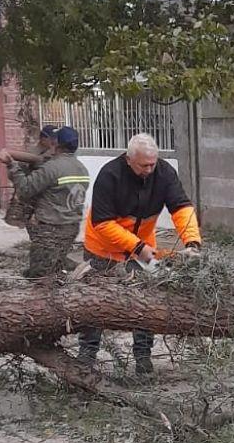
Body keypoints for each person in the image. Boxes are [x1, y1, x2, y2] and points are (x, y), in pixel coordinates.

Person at [80, 133, 203, 374]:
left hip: (141, 248)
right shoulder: (109, 175)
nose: (149, 169)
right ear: (129, 159)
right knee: (94, 305)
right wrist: (137, 247)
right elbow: (103, 224)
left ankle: (143, 360)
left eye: (152, 164)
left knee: (145, 304)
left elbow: (181, 207)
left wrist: (192, 242)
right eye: (143, 165)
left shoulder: (164, 173)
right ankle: (86, 358)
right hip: (102, 248)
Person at [0, 126, 90, 280]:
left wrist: (11, 165)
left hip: (50, 230)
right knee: (55, 265)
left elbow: (26, 189)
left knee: (39, 275)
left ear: (56, 144)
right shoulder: (82, 169)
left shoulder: (52, 168)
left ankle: (77, 274)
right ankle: (67, 281)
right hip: (71, 228)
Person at [2, 126, 59, 228]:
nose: (55, 141)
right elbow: (13, 175)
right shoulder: (30, 153)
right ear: (43, 138)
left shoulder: (53, 153)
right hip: (29, 197)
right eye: (52, 139)